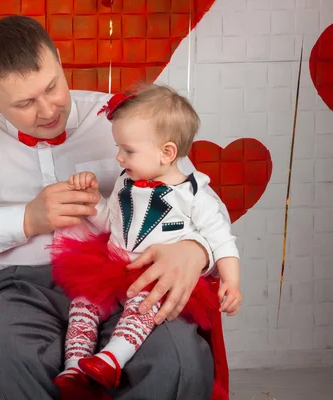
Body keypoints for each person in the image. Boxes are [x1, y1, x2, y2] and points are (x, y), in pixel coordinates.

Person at [0, 15, 229, 400]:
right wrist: (25, 219)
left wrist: (196, 249)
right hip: (18, 289)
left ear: (58, 58)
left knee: (179, 359)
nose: (47, 111)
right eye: (24, 103)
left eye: (52, 87)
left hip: (126, 280)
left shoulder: (126, 119)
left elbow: (203, 200)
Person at [50, 83, 242, 395]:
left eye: (128, 151)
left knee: (145, 306)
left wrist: (231, 282)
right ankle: (75, 364)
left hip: (156, 273)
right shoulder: (127, 181)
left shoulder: (193, 194)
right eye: (119, 148)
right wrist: (91, 200)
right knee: (84, 303)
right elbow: (111, 224)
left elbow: (222, 239)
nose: (118, 156)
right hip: (113, 264)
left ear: (166, 152)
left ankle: (112, 358)